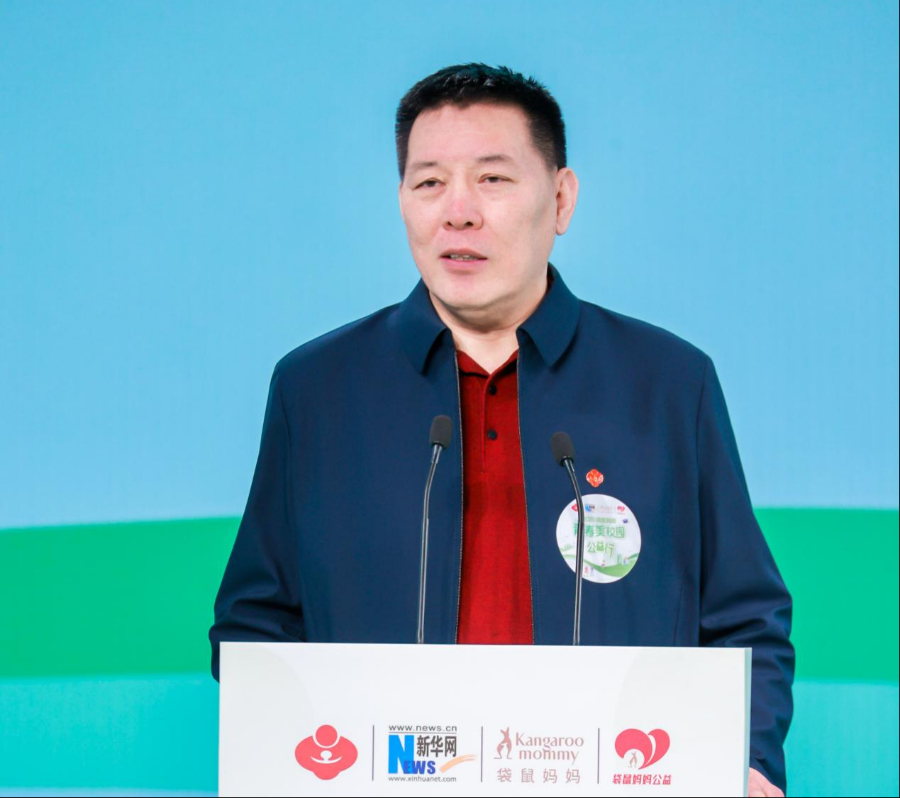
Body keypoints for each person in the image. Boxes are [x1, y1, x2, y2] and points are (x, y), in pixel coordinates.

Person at [208, 63, 794, 797]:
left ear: (561, 199)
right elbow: (256, 624)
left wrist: (748, 759)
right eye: (429, 183)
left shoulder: (669, 383)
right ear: (402, 201)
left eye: (492, 179)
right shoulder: (317, 389)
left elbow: (745, 618)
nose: (458, 212)